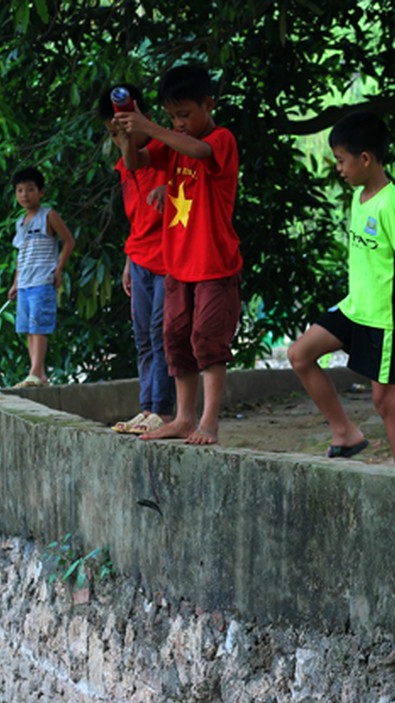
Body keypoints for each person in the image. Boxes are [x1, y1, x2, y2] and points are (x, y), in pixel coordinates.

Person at [287, 111, 395, 469]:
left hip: (384, 320)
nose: (339, 168)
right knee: (300, 354)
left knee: (384, 403)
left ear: (366, 159)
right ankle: (344, 432)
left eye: (342, 160)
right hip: (354, 307)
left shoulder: (392, 206)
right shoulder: (360, 198)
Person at [114, 64, 241, 445]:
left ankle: (209, 422)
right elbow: (136, 162)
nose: (178, 124)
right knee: (175, 338)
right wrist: (126, 135)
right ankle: (183, 418)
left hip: (214, 264)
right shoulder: (172, 145)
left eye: (185, 115)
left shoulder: (220, 139)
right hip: (178, 265)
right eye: (172, 117)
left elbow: (198, 150)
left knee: (208, 340)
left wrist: (151, 127)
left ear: (208, 104)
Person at [98, 84, 173, 435]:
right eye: (113, 134)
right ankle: (147, 409)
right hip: (140, 258)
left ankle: (163, 409)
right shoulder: (125, 163)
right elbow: (136, 218)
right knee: (143, 336)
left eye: (123, 129)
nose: (120, 139)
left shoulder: (167, 149)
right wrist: (129, 258)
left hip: (168, 260)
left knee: (162, 334)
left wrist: (132, 134)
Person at [7, 166, 75, 388]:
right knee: (28, 328)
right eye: (19, 190)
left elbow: (69, 241)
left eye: (30, 189)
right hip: (25, 284)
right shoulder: (20, 223)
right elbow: (21, 256)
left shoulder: (49, 215)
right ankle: (38, 374)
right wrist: (15, 284)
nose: (24, 195)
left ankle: (35, 372)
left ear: (41, 191)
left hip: (42, 281)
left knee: (39, 326)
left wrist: (59, 269)